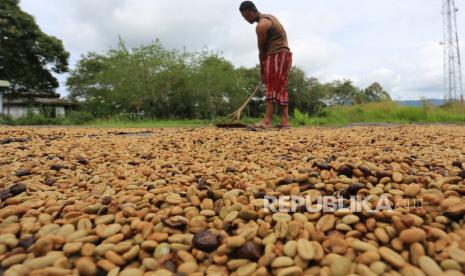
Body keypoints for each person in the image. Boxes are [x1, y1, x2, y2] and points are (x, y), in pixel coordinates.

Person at [239, 1, 292, 129]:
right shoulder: (270, 17)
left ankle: (266, 121)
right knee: (280, 87)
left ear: (251, 11)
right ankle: (285, 121)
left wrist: (262, 71)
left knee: (272, 86)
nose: (246, 20)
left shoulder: (261, 26)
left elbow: (262, 50)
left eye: (246, 17)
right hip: (286, 56)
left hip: (276, 56)